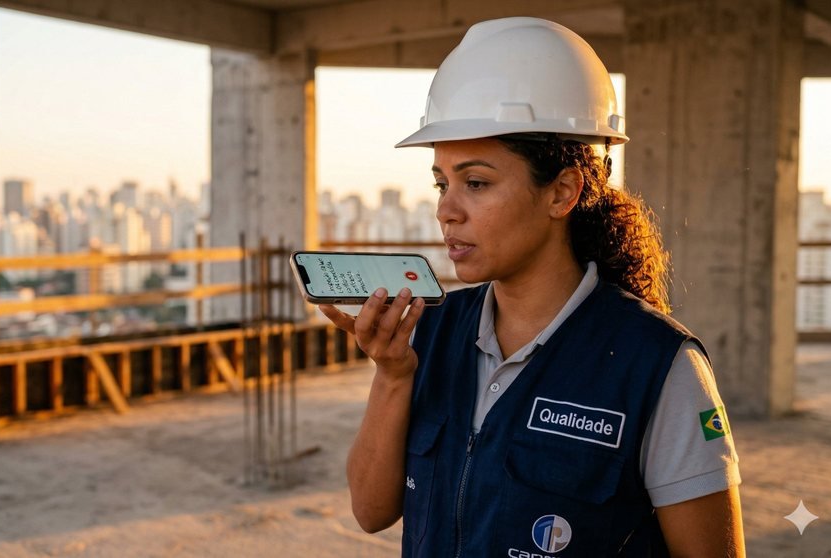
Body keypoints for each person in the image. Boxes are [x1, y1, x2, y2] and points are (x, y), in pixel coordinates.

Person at [318, 17, 745, 557]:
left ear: (563, 192)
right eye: (441, 183)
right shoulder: (434, 330)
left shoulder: (657, 367)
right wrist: (393, 376)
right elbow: (371, 511)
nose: (446, 211)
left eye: (476, 183)